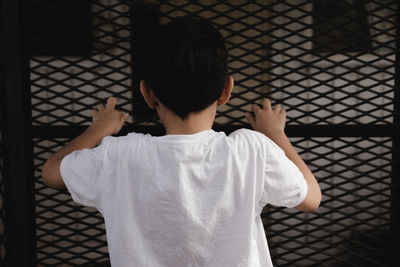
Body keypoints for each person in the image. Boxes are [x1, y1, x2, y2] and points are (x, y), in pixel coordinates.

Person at [42, 16, 321, 267]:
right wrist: (275, 134)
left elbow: (51, 172)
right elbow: (311, 198)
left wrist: (100, 129)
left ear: (147, 94)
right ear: (226, 91)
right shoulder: (250, 150)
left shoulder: (119, 155)